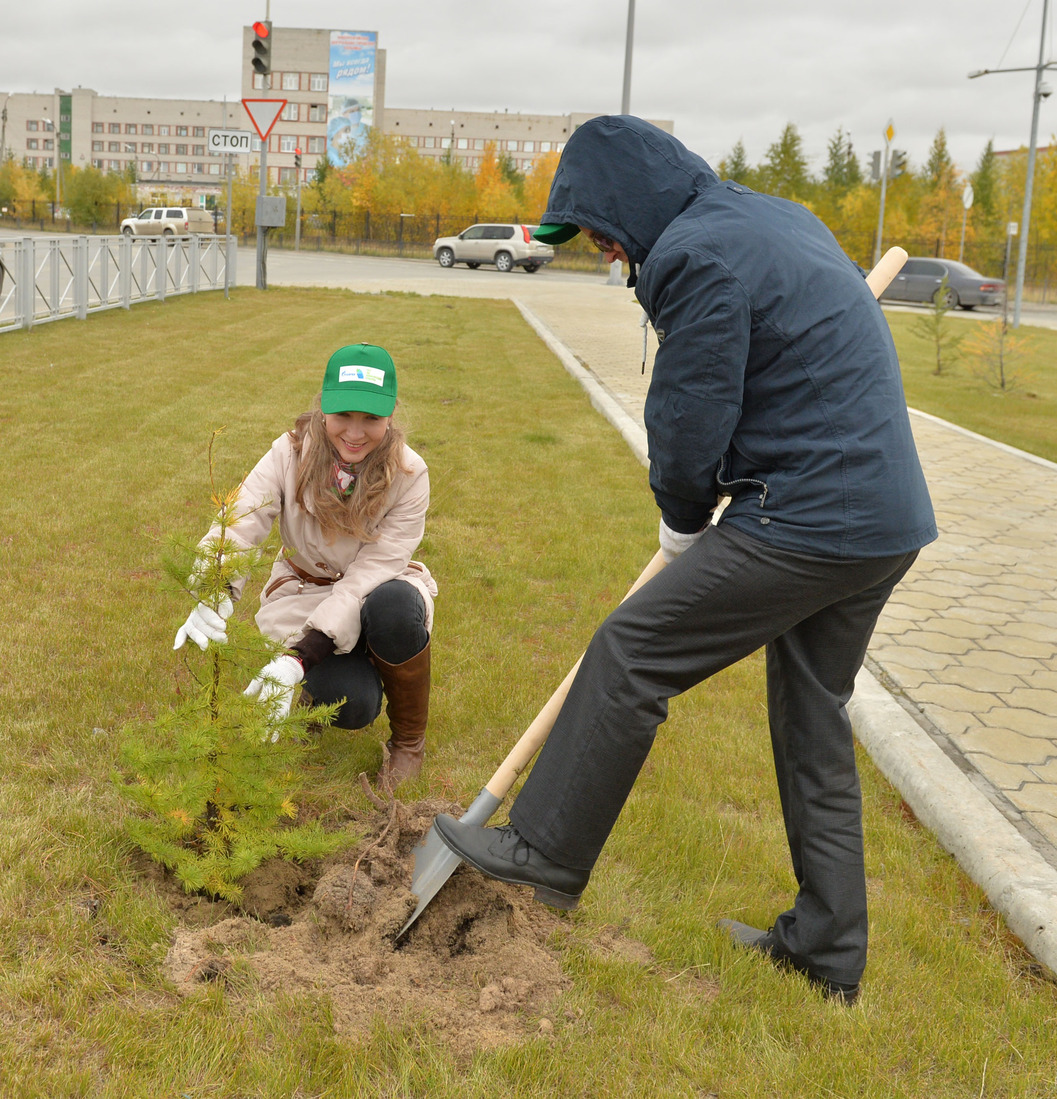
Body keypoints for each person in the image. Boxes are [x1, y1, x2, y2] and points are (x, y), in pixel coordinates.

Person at [433, 115, 936, 1004]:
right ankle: (827, 949)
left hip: (810, 515)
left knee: (632, 651)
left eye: (597, 230)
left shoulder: (693, 256)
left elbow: (691, 413)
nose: (598, 249)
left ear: (627, 205)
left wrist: (680, 519)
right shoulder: (773, 217)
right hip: (883, 520)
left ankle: (543, 848)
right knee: (811, 719)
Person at [174, 342, 437, 786]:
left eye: (370, 419)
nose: (355, 433)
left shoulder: (410, 474)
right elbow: (241, 520)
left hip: (374, 592)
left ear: (389, 417)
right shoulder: (289, 452)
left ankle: (409, 743)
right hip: (303, 592)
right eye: (343, 416)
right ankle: (338, 680)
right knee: (352, 705)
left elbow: (369, 574)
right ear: (322, 410)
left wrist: (300, 657)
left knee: (395, 605)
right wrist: (215, 590)